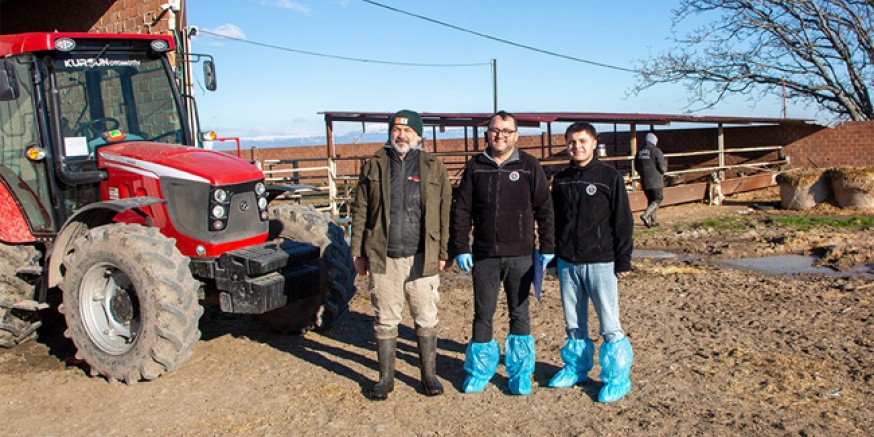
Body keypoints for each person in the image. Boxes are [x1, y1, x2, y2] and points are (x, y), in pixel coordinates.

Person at [350, 109, 453, 400]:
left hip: (423, 255)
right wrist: (358, 251)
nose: (401, 135)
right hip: (384, 256)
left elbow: (445, 209)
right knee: (386, 319)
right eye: (396, 129)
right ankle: (385, 378)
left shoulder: (434, 166)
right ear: (389, 132)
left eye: (407, 131)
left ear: (418, 135)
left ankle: (428, 375)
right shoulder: (375, 164)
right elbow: (360, 210)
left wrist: (444, 251)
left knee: (426, 316)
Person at [450, 110, 554, 395]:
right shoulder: (475, 167)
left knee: (519, 313)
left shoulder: (530, 166)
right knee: (483, 314)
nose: (500, 135)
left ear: (516, 135)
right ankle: (480, 369)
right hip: (484, 256)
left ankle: (520, 371)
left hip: (521, 255)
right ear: (488, 134)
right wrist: (461, 246)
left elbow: (545, 210)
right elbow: (461, 211)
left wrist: (547, 246)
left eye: (507, 131)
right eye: (496, 130)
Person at [549, 121, 634, 403]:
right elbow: (555, 221)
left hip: (601, 261)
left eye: (583, 141)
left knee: (609, 322)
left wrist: (623, 260)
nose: (577, 146)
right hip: (568, 262)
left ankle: (617, 378)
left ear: (594, 143)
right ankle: (575, 368)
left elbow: (622, 220)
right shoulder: (561, 179)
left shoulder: (609, 177)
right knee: (574, 322)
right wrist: (553, 254)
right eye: (572, 142)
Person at [635, 132, 666, 227]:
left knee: (650, 200)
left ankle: (653, 221)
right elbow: (662, 168)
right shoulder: (656, 151)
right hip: (656, 181)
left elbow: (636, 167)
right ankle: (645, 215)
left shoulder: (639, 152)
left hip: (644, 181)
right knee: (658, 198)